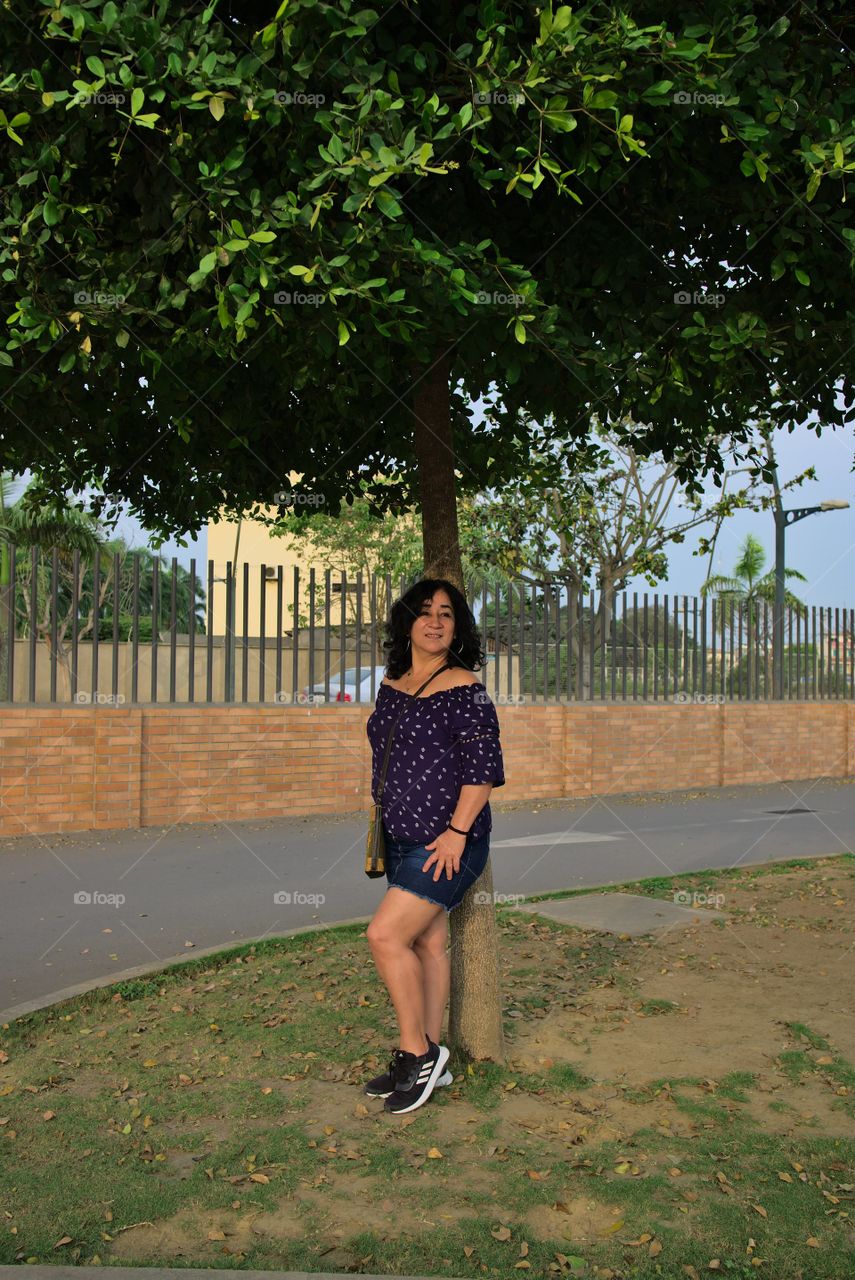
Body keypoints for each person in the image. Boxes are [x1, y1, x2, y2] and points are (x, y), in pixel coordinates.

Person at [364, 577, 505, 1114]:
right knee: (426, 945)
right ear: (407, 622)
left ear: (457, 626)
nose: (436, 620)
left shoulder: (465, 685)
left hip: (448, 843)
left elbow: (483, 771)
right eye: (425, 611)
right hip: (401, 835)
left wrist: (457, 832)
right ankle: (429, 1057)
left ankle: (415, 1051)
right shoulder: (393, 681)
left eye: (447, 613)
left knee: (383, 937)